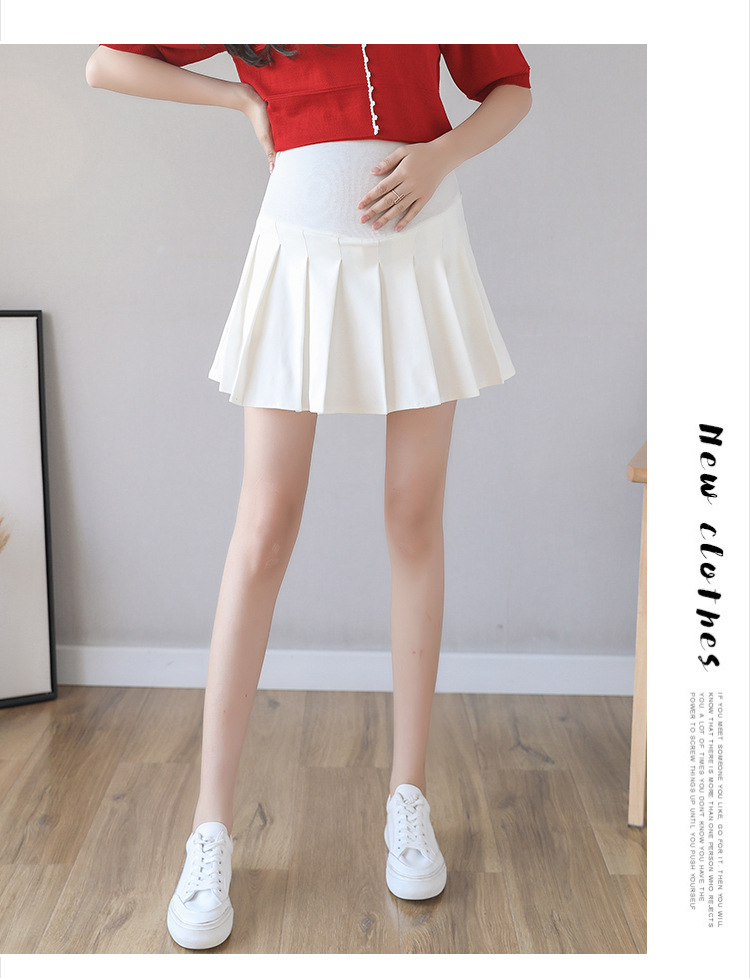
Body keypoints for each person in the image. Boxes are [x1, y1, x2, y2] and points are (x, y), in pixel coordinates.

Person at [85, 43, 532, 950]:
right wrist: (240, 103)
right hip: (297, 249)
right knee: (265, 528)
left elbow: (511, 88)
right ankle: (210, 832)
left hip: (422, 243)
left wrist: (440, 156)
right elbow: (106, 63)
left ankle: (408, 797)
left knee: (414, 516)